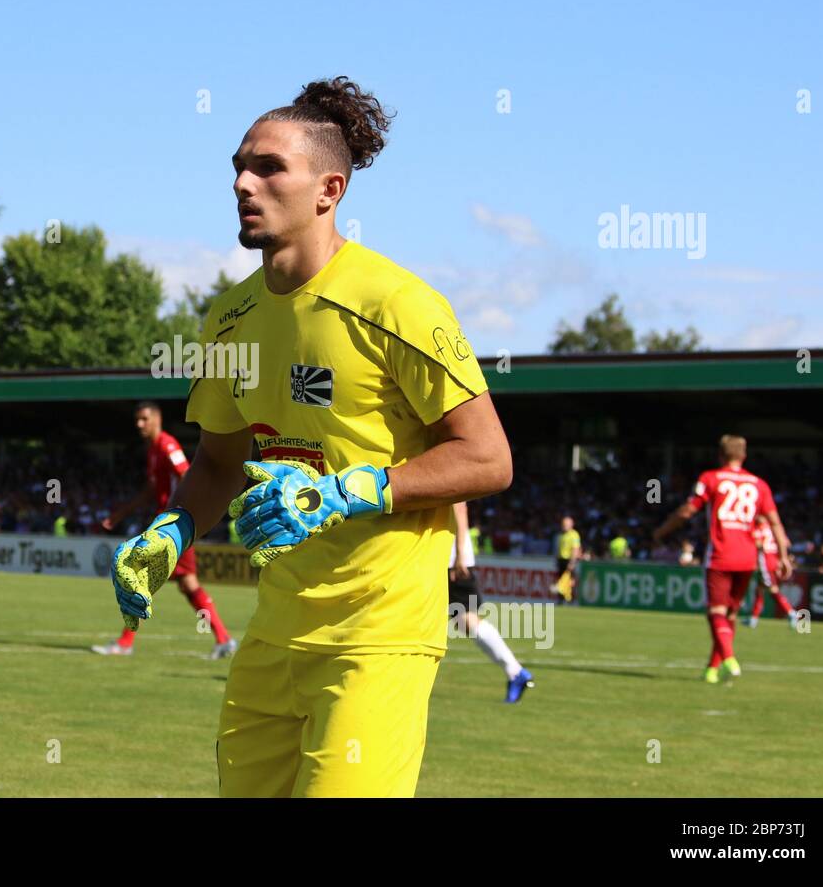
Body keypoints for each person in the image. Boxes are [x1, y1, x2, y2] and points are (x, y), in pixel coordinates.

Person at [107, 77, 512, 796]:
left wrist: (355, 490)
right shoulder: (228, 319)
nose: (242, 182)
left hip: (378, 635)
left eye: (268, 168)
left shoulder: (398, 304)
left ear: (329, 190)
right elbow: (219, 460)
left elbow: (488, 458)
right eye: (238, 165)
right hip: (274, 631)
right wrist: (172, 530)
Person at [93, 402, 237, 659]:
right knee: (186, 584)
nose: (140, 424)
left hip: (172, 527)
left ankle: (125, 643)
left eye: (144, 419)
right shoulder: (152, 450)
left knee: (140, 578)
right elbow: (151, 491)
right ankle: (224, 639)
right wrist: (119, 515)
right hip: (169, 524)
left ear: (156, 420)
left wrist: (186, 514)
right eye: (137, 420)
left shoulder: (167, 445)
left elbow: (186, 473)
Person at [654, 435, 793, 683]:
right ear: (744, 456)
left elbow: (688, 510)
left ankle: (729, 659)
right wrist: (783, 556)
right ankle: (712, 669)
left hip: (720, 554)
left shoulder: (711, 478)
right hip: (748, 557)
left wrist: (662, 531)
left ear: (720, 455)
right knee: (730, 615)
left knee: (715, 612)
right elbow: (776, 523)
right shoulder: (759, 484)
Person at [449, 501, 534, 703]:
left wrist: (460, 554)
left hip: (451, 560)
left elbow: (459, 507)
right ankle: (515, 672)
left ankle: (515, 671)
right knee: (464, 622)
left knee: (466, 620)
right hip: (447, 557)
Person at [745, 512, 798, 629]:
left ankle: (791, 612)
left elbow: (758, 544)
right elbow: (786, 542)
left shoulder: (758, 528)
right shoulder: (773, 528)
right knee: (759, 590)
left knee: (772, 590)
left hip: (765, 563)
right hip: (773, 561)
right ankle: (753, 619)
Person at [554, 516, 581, 602]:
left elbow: (575, 549)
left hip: (569, 560)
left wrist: (572, 562)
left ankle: (571, 599)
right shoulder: (561, 535)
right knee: (560, 580)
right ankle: (561, 599)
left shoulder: (574, 535)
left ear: (571, 525)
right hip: (561, 560)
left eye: (566, 524)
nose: (564, 526)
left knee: (570, 581)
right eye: (563, 524)